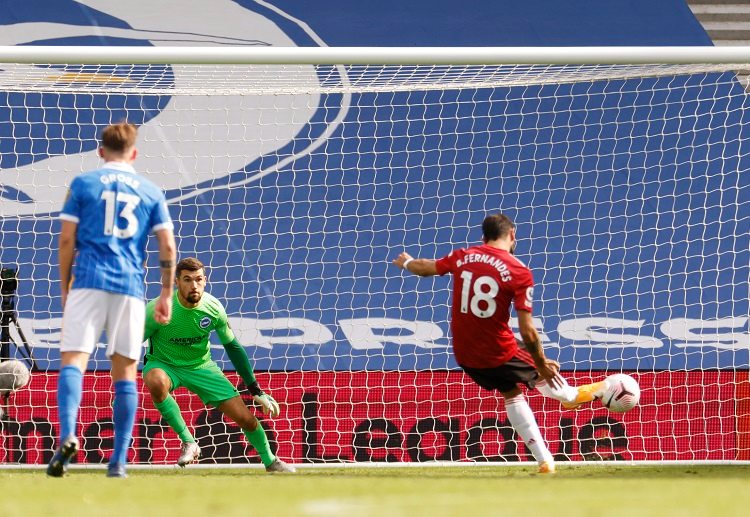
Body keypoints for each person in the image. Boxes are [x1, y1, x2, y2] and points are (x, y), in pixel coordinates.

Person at [392, 213, 607, 474]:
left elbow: (426, 268)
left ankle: (545, 461)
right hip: (498, 351)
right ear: (512, 234)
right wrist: (541, 364)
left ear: (483, 237)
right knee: (553, 382)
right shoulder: (519, 271)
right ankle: (587, 393)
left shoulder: (463, 256)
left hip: (465, 355)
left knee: (512, 393)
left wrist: (407, 262)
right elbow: (529, 332)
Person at [48, 122, 176, 478]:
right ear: (133, 154)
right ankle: (118, 461)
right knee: (126, 373)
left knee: (73, 360)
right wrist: (165, 293)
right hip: (130, 288)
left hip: (87, 281)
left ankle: (69, 435)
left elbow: (66, 240)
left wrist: (64, 287)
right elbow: (167, 245)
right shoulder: (150, 191)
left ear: (101, 151)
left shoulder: (83, 184)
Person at [142, 257, 295, 473]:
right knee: (156, 381)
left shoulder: (213, 308)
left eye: (198, 279)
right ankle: (188, 442)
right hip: (164, 364)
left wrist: (255, 390)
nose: (194, 285)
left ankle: (271, 461)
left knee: (247, 419)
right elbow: (131, 343)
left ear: (205, 280)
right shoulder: (159, 309)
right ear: (176, 282)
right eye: (187, 280)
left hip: (201, 367)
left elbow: (233, 347)